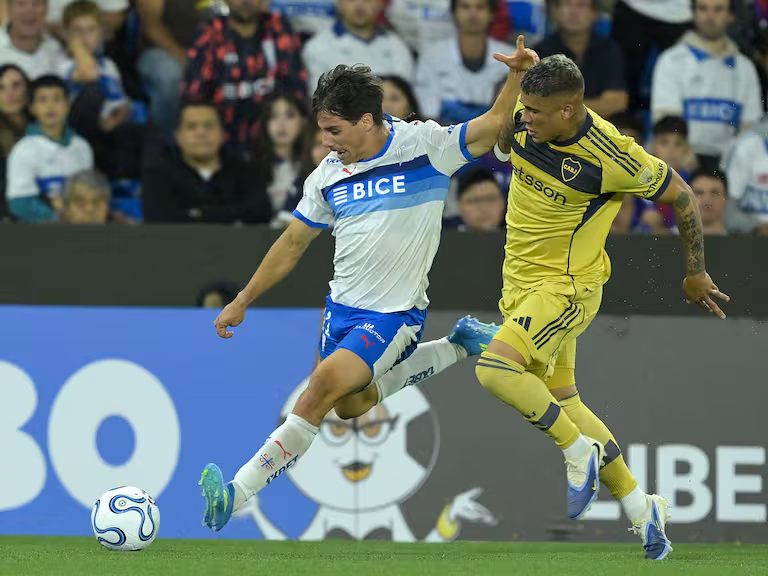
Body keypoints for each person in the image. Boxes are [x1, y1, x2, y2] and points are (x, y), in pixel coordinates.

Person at [198, 37, 534, 532]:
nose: (327, 142)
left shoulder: (425, 147)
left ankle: (236, 491)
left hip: (393, 316)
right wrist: (243, 299)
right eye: (322, 131)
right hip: (340, 310)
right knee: (350, 405)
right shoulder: (326, 176)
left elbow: (491, 127)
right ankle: (457, 347)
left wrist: (517, 76)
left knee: (316, 393)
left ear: (366, 121)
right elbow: (291, 245)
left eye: (334, 130)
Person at [484, 53, 729, 560]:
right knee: (565, 400)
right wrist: (513, 81)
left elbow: (681, 196)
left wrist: (695, 270)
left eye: (535, 110)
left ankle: (578, 454)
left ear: (570, 109)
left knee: (495, 369)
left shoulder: (613, 156)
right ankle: (643, 509)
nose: (524, 117)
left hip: (567, 289)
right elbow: (504, 141)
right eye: (523, 107)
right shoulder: (529, 118)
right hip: (522, 284)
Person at [142, 101, 272, 224]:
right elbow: (159, 220)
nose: (201, 133)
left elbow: (261, 212)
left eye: (208, 126)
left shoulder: (245, 170)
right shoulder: (159, 173)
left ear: (222, 134)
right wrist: (229, 213)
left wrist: (200, 214)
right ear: (178, 136)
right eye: (191, 127)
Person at [6, 74, 93, 222]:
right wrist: (55, 217)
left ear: (67, 105)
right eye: (43, 100)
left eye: (57, 99)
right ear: (32, 108)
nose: (50, 106)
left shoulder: (82, 147)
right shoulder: (24, 150)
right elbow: (20, 203)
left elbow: (89, 193)